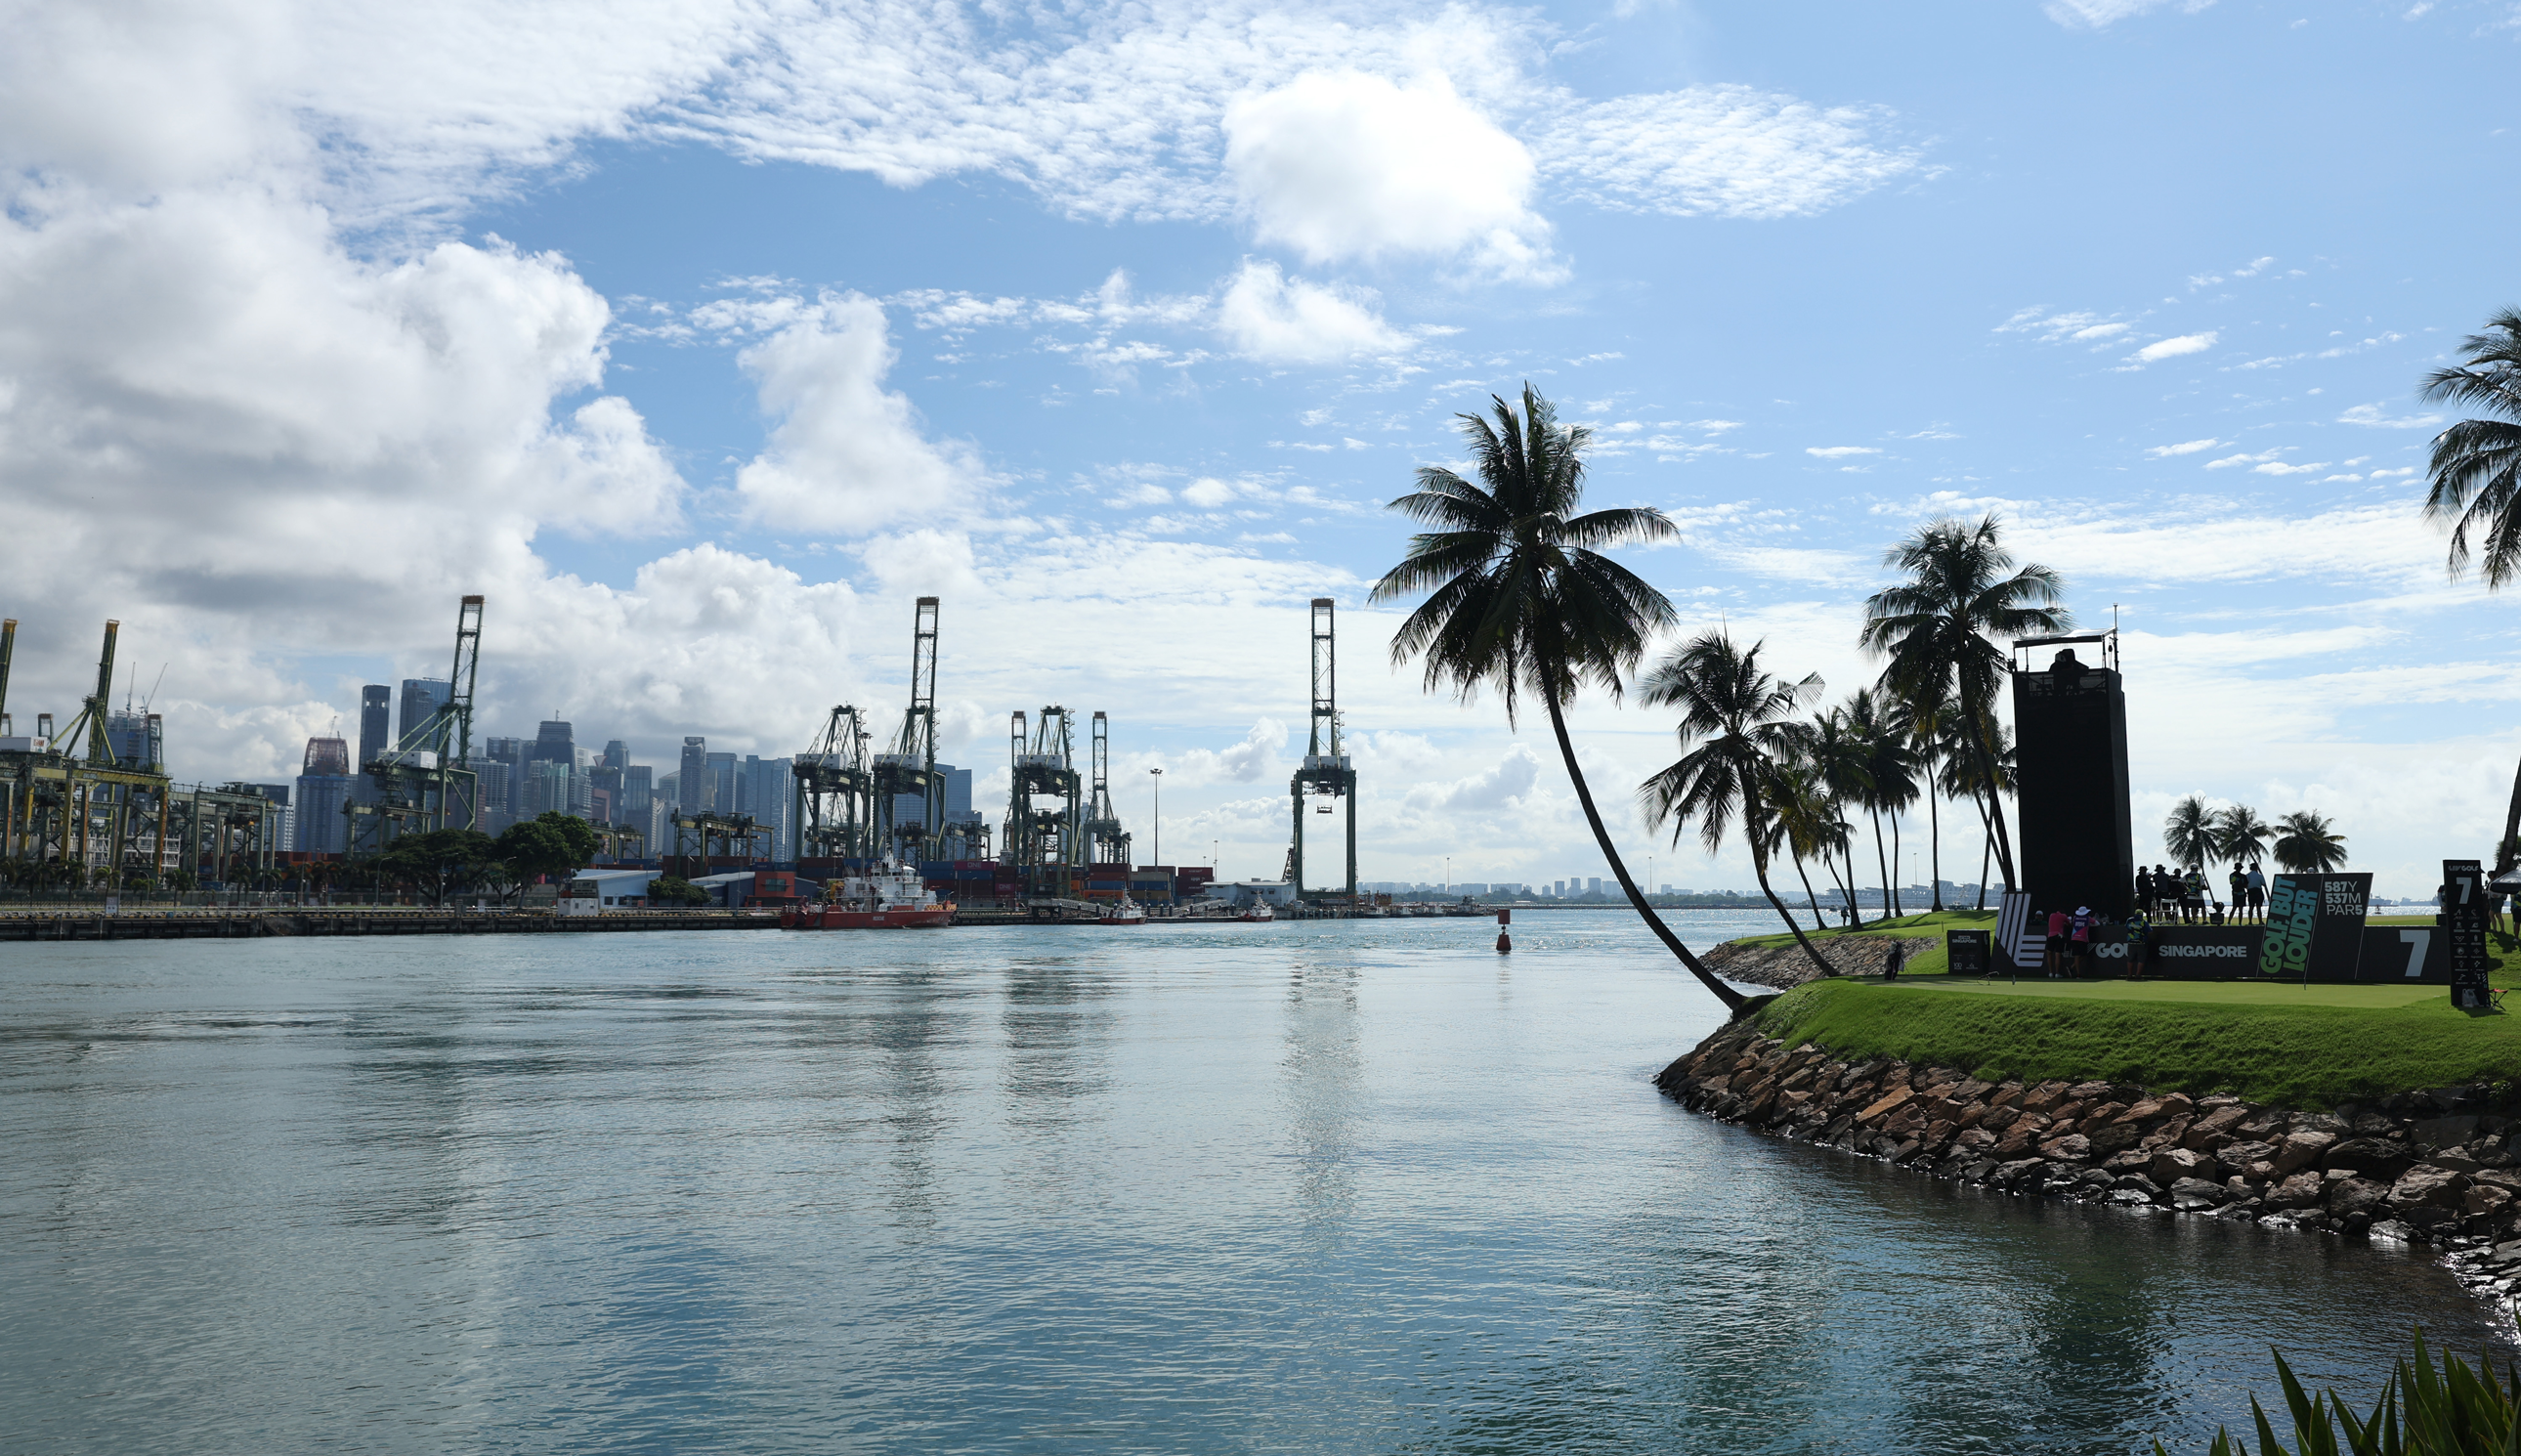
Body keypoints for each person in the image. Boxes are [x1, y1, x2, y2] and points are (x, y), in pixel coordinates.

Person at [2070, 905, 2096, 977]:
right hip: (2083, 939)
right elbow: (2097, 923)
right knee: (2083, 955)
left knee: (2077, 956)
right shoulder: (2088, 918)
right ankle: (2074, 970)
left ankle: (2074, 969)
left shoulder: (2074, 918)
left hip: (2074, 938)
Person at [2125, 907, 2151, 978]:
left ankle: (2129, 975)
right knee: (2141, 960)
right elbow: (2149, 931)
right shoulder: (2143, 922)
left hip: (2131, 942)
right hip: (2141, 943)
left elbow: (2126, 927)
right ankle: (2138, 975)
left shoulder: (2129, 920)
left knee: (2130, 959)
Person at [2045, 907, 2069, 977]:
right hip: (2059, 936)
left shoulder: (2051, 915)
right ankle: (2057, 973)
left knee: (2049, 953)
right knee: (2057, 955)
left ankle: (2050, 972)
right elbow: (2069, 923)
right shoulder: (2063, 916)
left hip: (2050, 936)